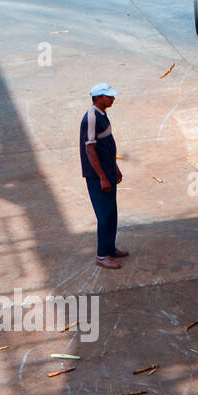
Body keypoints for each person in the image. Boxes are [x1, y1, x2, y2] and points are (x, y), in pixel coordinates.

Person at [81, 83, 128, 269]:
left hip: (107, 170)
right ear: (98, 98)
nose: (113, 98)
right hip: (97, 174)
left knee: (111, 212)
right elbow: (90, 150)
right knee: (104, 215)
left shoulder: (102, 114)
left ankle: (109, 247)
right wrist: (102, 176)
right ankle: (102, 255)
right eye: (109, 96)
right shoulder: (91, 118)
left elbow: (105, 145)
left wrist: (114, 167)